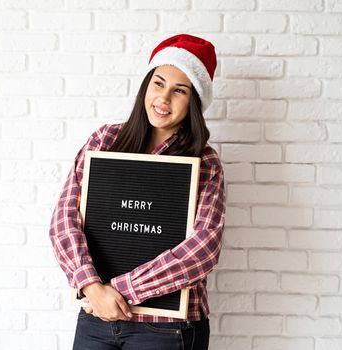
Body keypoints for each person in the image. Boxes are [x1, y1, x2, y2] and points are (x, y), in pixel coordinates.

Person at [49, 34, 226, 350]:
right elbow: (64, 219)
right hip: (97, 321)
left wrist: (116, 291)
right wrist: (91, 287)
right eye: (158, 84)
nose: (164, 98)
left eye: (179, 91)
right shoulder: (105, 140)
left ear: (194, 102)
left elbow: (203, 249)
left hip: (167, 329)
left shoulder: (204, 161)